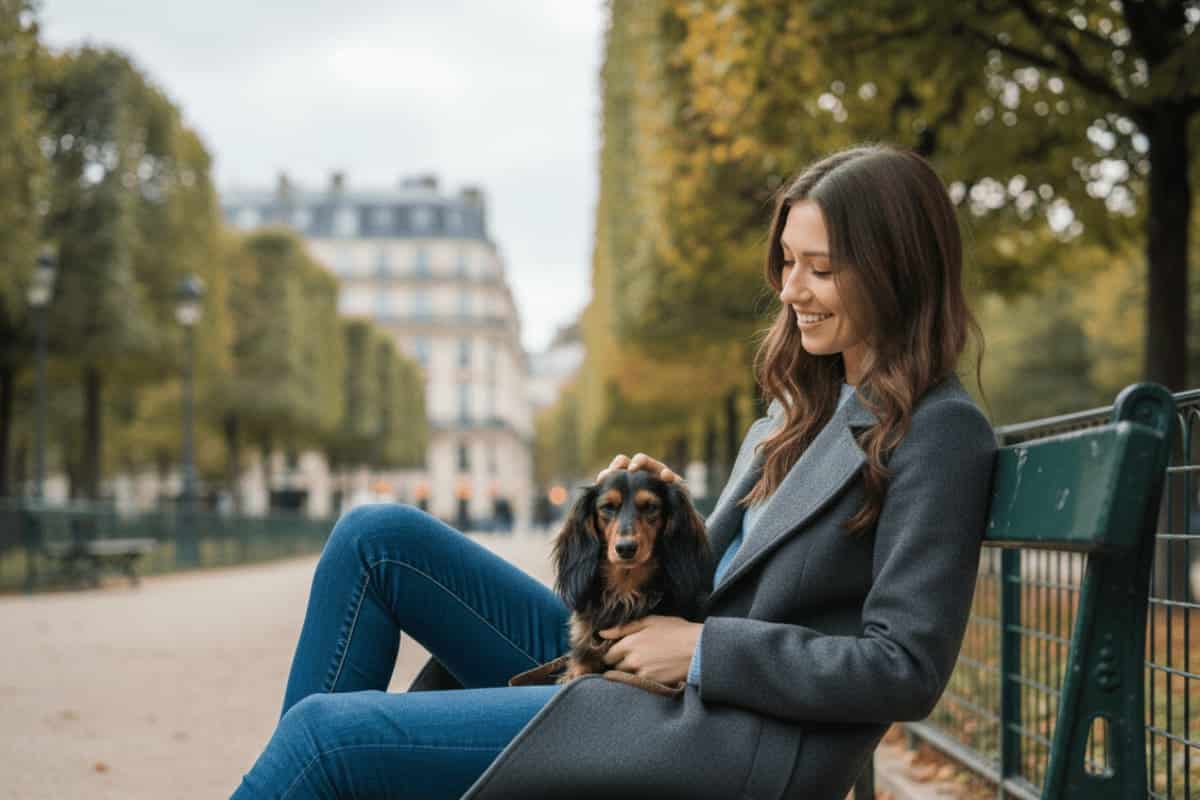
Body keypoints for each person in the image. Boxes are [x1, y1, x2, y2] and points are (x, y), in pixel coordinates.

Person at [230, 143, 997, 799]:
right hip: (648, 668)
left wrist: (704, 651)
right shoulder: (798, 409)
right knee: (376, 539)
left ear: (894, 271)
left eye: (820, 269)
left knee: (327, 738)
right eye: (788, 262)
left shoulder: (938, 431)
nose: (791, 289)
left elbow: (905, 667)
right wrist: (672, 515)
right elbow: (735, 577)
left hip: (724, 731)